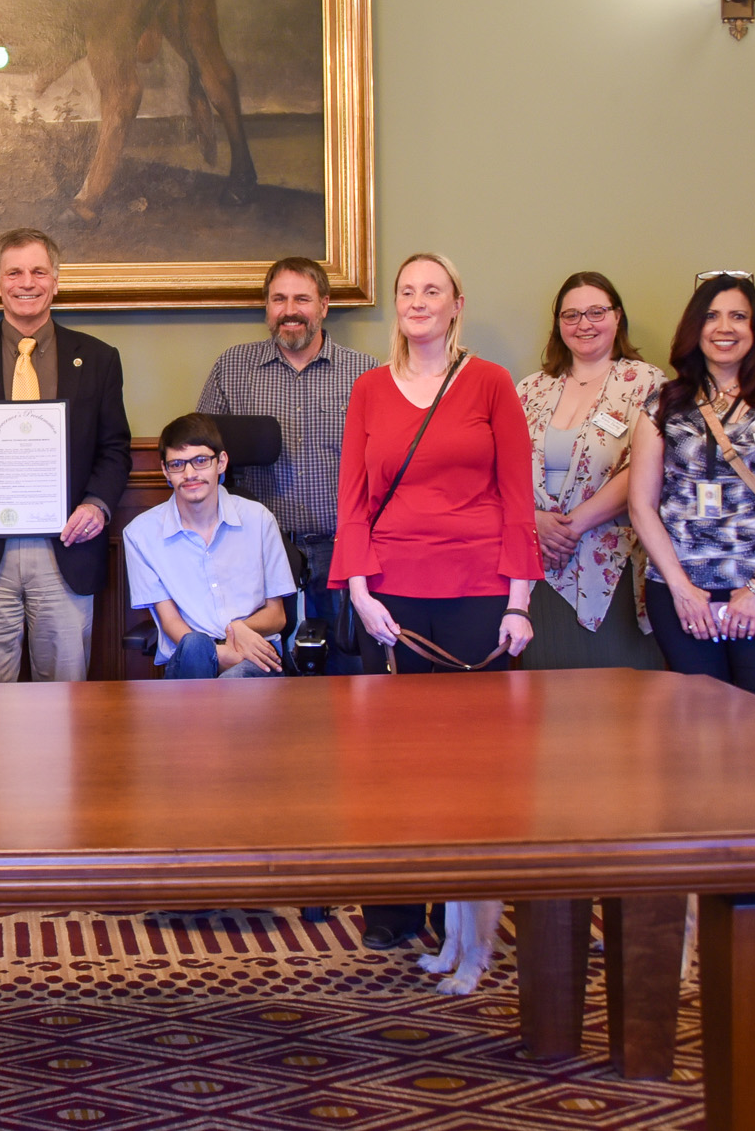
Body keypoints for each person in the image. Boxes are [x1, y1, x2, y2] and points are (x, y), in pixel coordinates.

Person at [330, 252, 538, 951]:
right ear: (397, 305)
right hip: (389, 594)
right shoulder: (368, 390)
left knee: (475, 764)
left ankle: (467, 914)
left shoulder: (490, 384)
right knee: (387, 763)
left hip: (479, 592)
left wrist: (519, 604)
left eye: (433, 291)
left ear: (456, 305)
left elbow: (517, 496)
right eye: (407, 291)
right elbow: (352, 499)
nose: (418, 301)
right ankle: (393, 913)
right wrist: (359, 591)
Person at [0, 229, 133, 683]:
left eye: (38, 271)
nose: (26, 282)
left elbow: (115, 448)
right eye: (14, 272)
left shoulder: (98, 359)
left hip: (67, 548)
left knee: (65, 695)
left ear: (56, 281)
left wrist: (97, 505)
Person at [629, 273, 755, 709]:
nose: (724, 327)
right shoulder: (663, 403)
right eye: (712, 316)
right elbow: (641, 506)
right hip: (682, 592)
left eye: (739, 317)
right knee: (697, 731)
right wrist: (681, 589)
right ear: (695, 328)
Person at [198, 256, 378, 671]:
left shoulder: (363, 372)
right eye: (278, 299)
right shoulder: (233, 368)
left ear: (324, 306)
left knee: (347, 673)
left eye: (302, 298)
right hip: (259, 552)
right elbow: (200, 458)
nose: (290, 310)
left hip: (342, 549)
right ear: (266, 307)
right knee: (265, 677)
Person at [514, 272, 666, 670]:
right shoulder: (530, 389)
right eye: (571, 315)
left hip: (612, 561)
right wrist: (534, 521)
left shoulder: (646, 383)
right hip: (538, 562)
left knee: (617, 702)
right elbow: (503, 469)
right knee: (545, 699)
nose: (584, 324)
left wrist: (574, 524)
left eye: (596, 312)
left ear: (617, 317)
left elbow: (648, 468)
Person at [123, 413, 295, 679]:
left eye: (201, 461)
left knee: (232, 683)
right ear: (166, 471)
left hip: (253, 650)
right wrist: (217, 653)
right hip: (190, 656)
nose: (190, 474)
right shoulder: (141, 534)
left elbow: (277, 616)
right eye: (178, 464)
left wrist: (237, 631)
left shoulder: (259, 520)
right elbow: (170, 623)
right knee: (196, 645)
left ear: (221, 462)